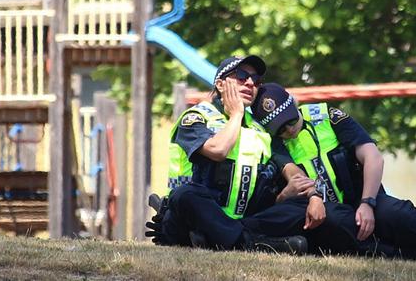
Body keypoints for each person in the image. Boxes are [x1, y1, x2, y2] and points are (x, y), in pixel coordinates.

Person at [250, 83, 416, 263]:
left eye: (289, 121)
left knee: (397, 213)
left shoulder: (329, 117)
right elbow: (292, 177)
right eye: (279, 128)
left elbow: (372, 156)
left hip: (362, 198)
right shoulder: (274, 145)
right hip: (328, 214)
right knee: (337, 223)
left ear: (295, 103)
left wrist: (367, 203)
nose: (288, 130)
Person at [145, 56, 357, 255]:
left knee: (300, 208)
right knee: (186, 195)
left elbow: (291, 170)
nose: (250, 84)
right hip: (193, 217)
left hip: (244, 220)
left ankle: (226, 239)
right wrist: (236, 113)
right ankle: (253, 244)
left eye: (256, 80)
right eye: (241, 77)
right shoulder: (196, 117)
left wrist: (312, 196)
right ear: (220, 84)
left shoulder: (260, 128)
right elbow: (218, 151)